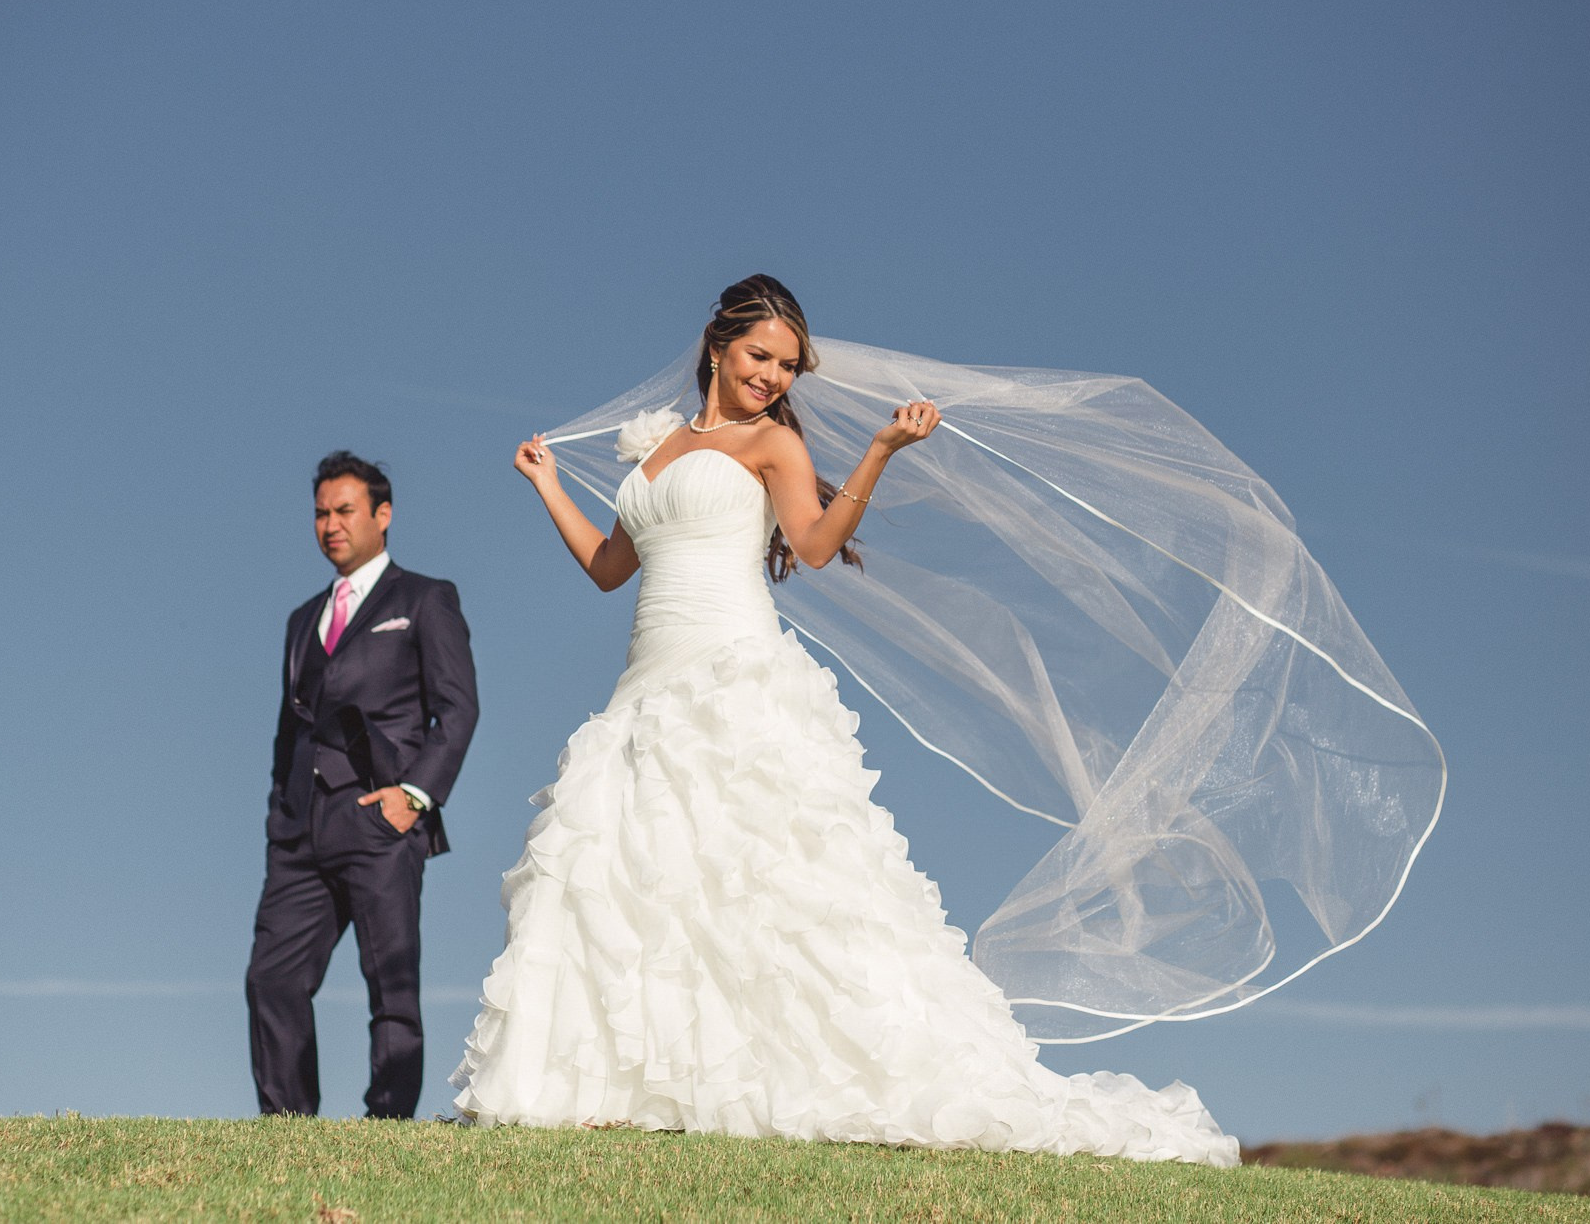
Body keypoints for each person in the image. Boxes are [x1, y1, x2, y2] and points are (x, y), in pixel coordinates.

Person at [449, 277, 1239, 1164]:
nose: (772, 377)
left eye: (787, 367)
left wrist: (880, 451)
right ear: (717, 347)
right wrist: (548, 484)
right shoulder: (659, 449)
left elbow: (816, 547)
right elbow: (607, 564)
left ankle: (787, 1074)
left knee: (761, 878)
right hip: (646, 683)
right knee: (635, 871)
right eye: (760, 357)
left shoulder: (773, 442)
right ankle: (639, 1081)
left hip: (733, 671)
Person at [247, 451, 479, 1118]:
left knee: (391, 986)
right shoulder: (302, 620)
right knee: (271, 979)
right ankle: (287, 1128)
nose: (330, 524)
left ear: (383, 514)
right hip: (299, 831)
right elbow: (287, 730)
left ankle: (386, 1126)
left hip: (379, 818)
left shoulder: (424, 598)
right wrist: (279, 816)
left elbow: (458, 709)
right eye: (320, 512)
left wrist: (414, 797)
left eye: (343, 510)